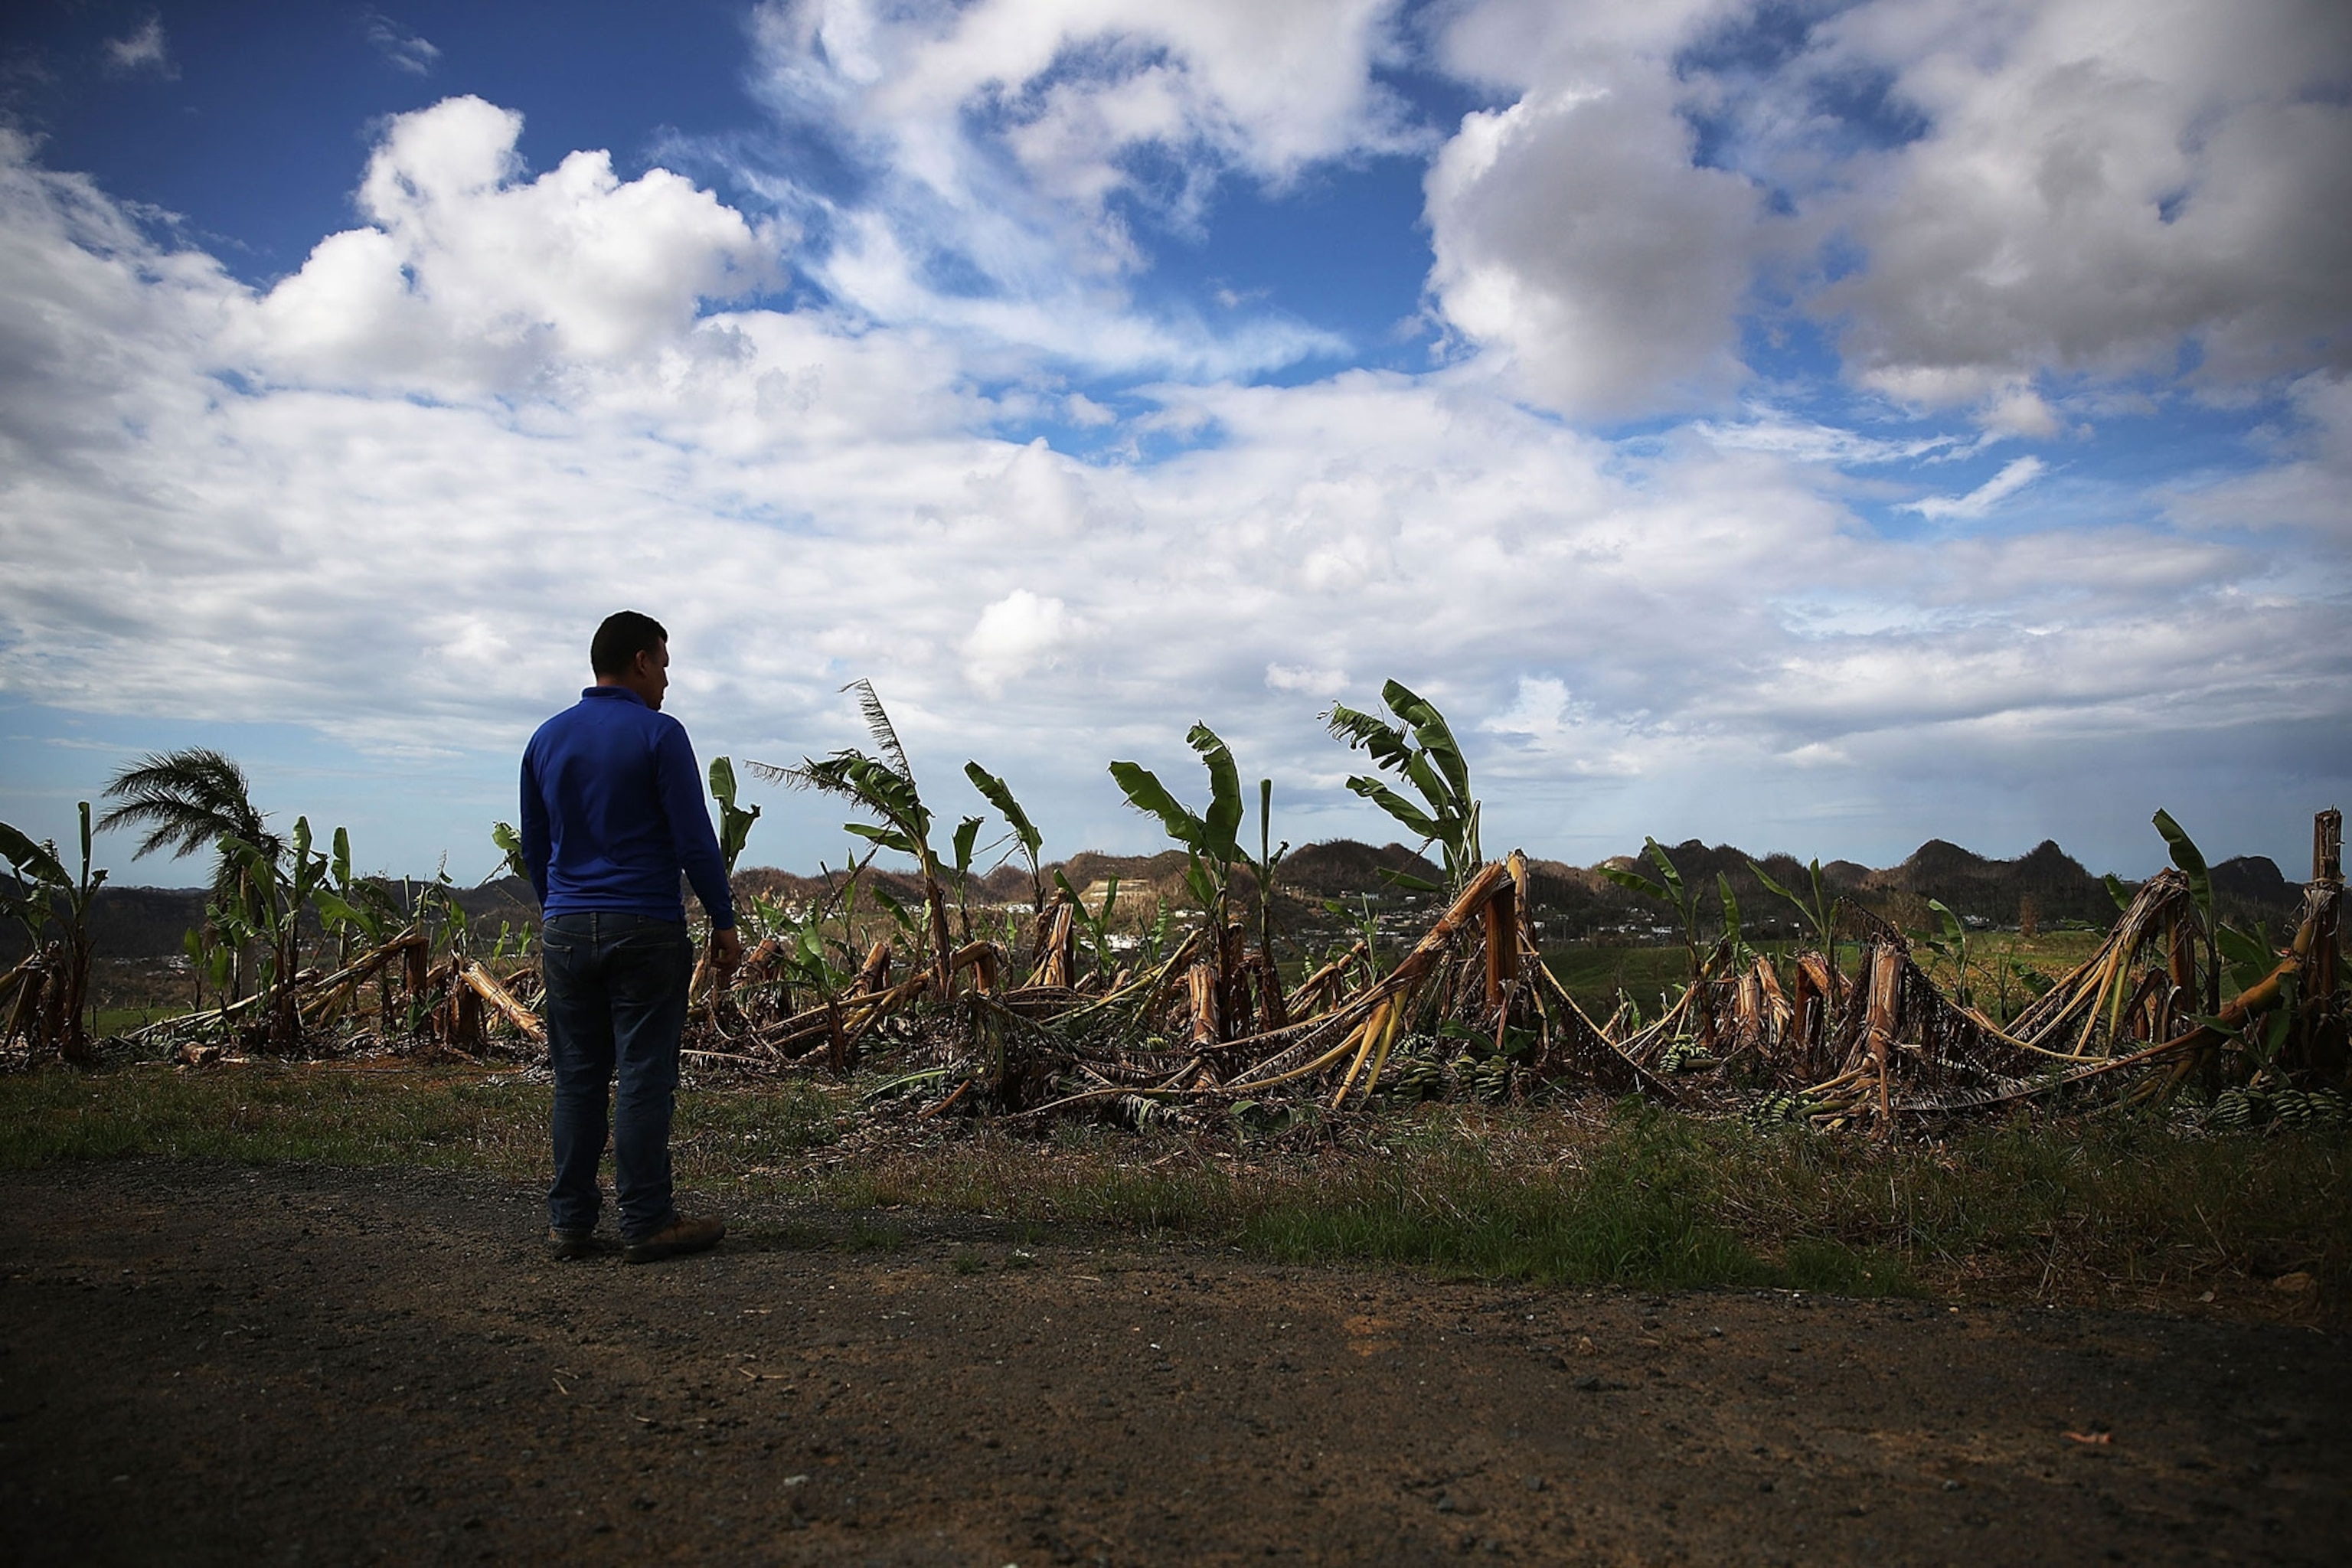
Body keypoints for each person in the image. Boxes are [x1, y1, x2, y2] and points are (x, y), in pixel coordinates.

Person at [520, 610, 743, 1264]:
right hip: (645, 925)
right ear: (641, 661)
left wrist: (564, 907)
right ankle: (647, 1219)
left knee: (578, 1079)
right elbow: (694, 840)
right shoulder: (660, 734)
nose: (668, 681)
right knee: (645, 1074)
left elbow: (537, 845)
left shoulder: (546, 738)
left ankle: (570, 1223)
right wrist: (722, 920)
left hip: (565, 926)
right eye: (665, 665)